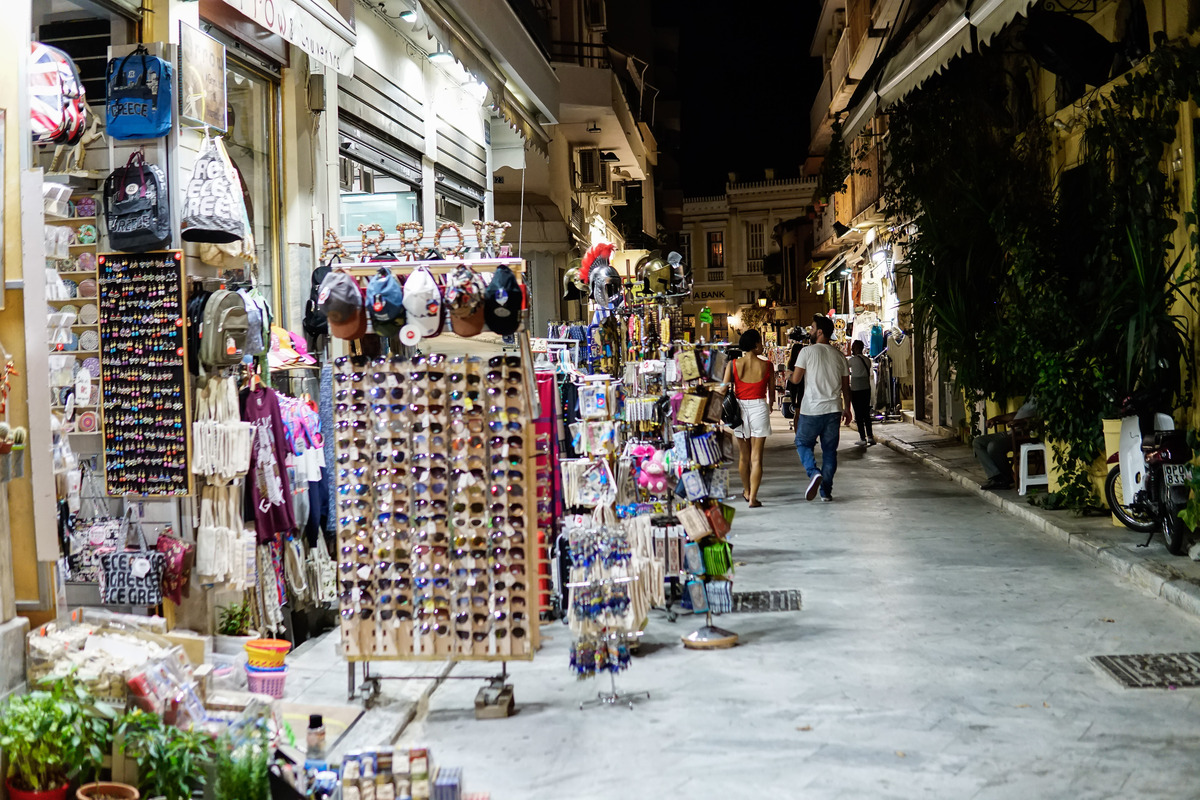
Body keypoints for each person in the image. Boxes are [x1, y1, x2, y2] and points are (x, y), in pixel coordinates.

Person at [791, 313, 852, 502]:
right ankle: (826, 492)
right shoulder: (839, 355)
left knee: (802, 443)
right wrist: (847, 409)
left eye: (811, 327)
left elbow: (796, 379)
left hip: (812, 410)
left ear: (819, 332)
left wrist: (788, 375)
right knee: (829, 452)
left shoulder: (806, 352)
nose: (809, 331)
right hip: (834, 409)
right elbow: (845, 387)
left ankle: (813, 472)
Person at [721, 329, 775, 508]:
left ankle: (746, 491)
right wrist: (771, 405)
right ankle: (753, 498)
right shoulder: (768, 366)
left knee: (744, 456)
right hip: (759, 407)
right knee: (757, 457)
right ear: (754, 344)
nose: (762, 345)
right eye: (760, 342)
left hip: (740, 410)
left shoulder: (733, 365)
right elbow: (772, 396)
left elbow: (723, 390)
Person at [974, 396, 1037, 490]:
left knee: (994, 446)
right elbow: (1016, 415)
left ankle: (1006, 477)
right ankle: (996, 477)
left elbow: (1038, 419)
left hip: (1023, 434)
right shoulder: (1031, 397)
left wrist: (1019, 421)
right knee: (978, 442)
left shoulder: (1044, 400)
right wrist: (995, 418)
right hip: (1011, 432)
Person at [847, 340, 876, 446]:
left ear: (855, 348)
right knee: (866, 414)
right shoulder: (867, 360)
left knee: (859, 415)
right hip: (866, 389)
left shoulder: (853, 360)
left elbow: (844, 367)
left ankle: (862, 438)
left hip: (856, 390)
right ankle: (870, 437)